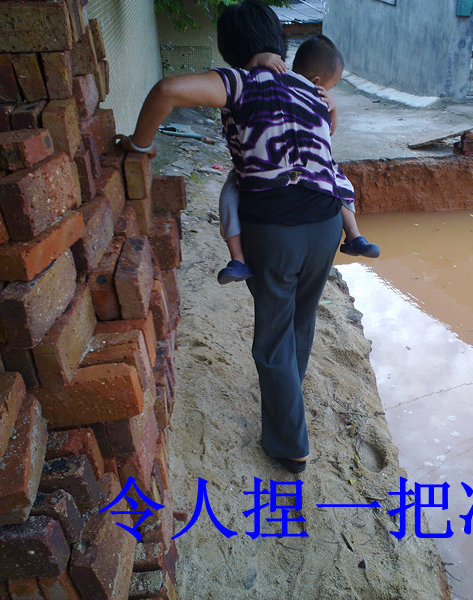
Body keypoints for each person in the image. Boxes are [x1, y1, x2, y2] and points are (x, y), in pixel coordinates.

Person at [119, 2, 356, 474]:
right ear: (278, 42)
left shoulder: (240, 81)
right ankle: (288, 395)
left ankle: (290, 446)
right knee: (300, 318)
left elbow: (167, 90)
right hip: (328, 222)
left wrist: (139, 146)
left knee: (271, 339)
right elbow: (326, 133)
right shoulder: (310, 87)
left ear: (229, 48)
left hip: (277, 230)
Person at [214, 14, 379, 285]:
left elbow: (326, 133)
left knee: (230, 195)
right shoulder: (291, 90)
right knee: (337, 180)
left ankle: (238, 259)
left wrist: (333, 109)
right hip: (293, 180)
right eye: (330, 87)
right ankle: (353, 235)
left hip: (268, 174)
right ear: (316, 79)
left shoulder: (255, 85)